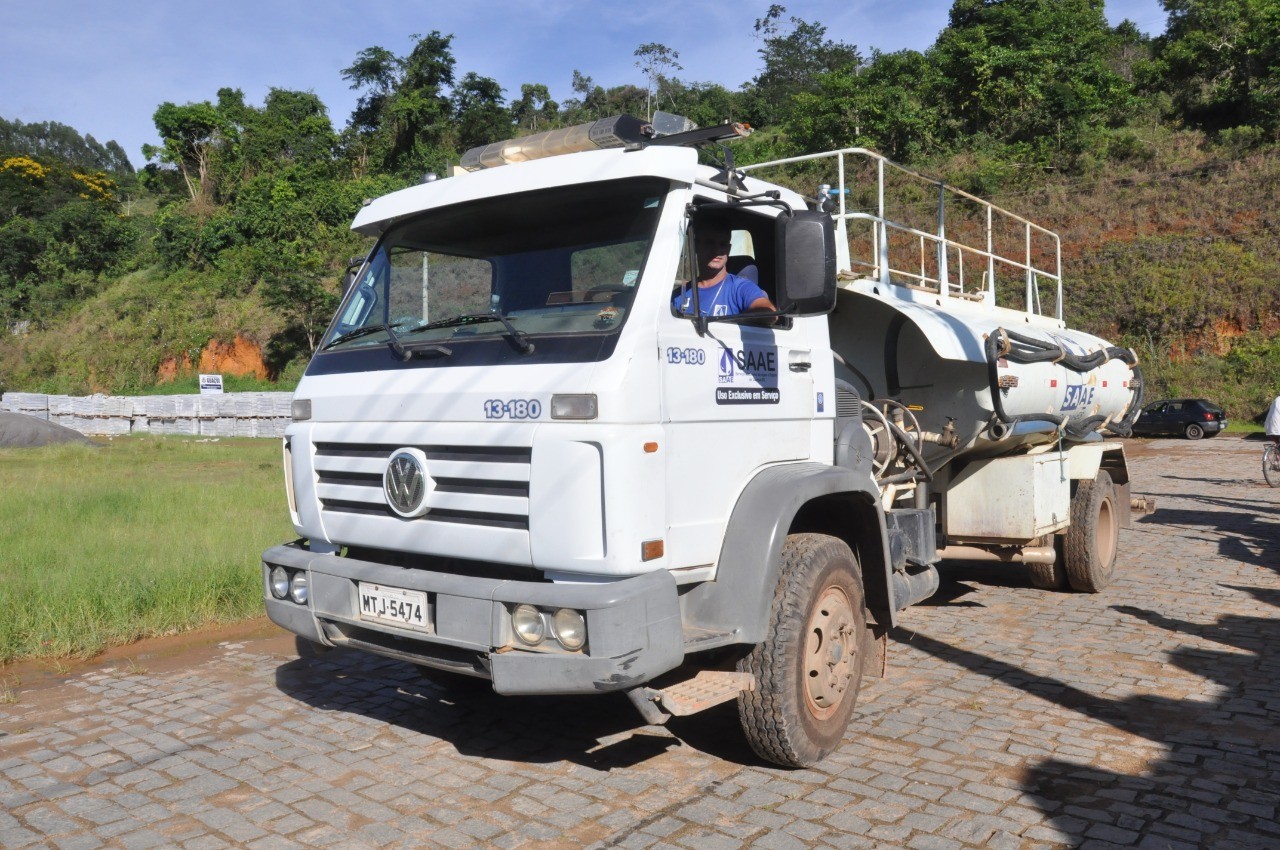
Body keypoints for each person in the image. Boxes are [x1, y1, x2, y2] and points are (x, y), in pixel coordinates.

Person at [672, 218, 776, 317]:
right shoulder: (679, 294)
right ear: (696, 246)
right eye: (710, 243)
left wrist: (739, 321)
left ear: (729, 249)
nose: (717, 250)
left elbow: (770, 313)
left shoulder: (741, 288)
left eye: (723, 244)